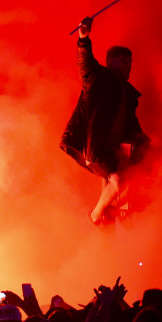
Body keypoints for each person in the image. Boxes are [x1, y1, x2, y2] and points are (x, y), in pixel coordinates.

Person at [60, 16, 149, 226]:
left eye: (130, 62)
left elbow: (131, 123)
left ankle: (112, 215)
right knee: (117, 182)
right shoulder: (97, 78)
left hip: (111, 149)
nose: (129, 66)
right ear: (112, 62)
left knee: (132, 175)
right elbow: (85, 61)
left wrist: (143, 140)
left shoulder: (127, 92)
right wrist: (84, 37)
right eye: (125, 62)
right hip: (93, 147)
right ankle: (95, 216)